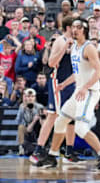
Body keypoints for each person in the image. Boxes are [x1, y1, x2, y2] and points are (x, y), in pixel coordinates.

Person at [36, 19, 100, 170]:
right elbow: (77, 73)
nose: (74, 30)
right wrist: (64, 84)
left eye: (78, 27)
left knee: (80, 128)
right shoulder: (74, 48)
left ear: (84, 30)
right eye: (73, 27)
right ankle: (52, 156)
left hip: (90, 92)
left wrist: (85, 87)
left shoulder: (89, 47)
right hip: (79, 91)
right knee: (60, 122)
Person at [29, 17, 81, 165]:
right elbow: (50, 63)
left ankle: (69, 151)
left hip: (71, 83)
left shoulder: (77, 42)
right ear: (68, 27)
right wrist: (65, 48)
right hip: (58, 81)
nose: (77, 29)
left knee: (71, 118)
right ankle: (38, 149)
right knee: (53, 115)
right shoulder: (60, 40)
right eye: (75, 26)